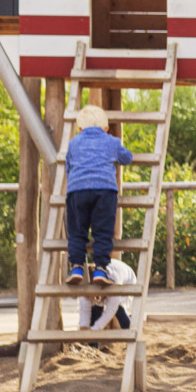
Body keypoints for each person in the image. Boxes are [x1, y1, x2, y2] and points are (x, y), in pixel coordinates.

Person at [62, 104, 135, 285]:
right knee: (103, 231)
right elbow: (127, 158)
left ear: (79, 129)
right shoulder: (111, 141)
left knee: (77, 231)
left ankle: (77, 266)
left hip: (77, 191)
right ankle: (101, 269)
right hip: (104, 191)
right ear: (106, 128)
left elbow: (68, 167)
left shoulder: (74, 143)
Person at [77, 257, 138, 332]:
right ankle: (92, 343)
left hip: (127, 280)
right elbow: (85, 308)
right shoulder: (86, 283)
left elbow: (111, 310)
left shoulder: (114, 282)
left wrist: (94, 329)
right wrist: (84, 326)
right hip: (105, 283)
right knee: (95, 309)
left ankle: (130, 333)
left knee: (119, 309)